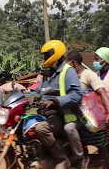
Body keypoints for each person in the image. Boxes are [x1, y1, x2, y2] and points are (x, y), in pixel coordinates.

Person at [34, 40, 83, 169]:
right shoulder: (49, 74)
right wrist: (24, 94)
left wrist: (56, 101)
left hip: (65, 114)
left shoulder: (68, 71)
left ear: (55, 54)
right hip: (49, 113)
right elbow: (39, 91)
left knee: (41, 129)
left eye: (46, 55)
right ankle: (41, 157)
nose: (44, 58)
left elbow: (77, 94)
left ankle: (62, 158)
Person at [65, 51, 109, 162]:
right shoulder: (71, 77)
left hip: (92, 113)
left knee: (97, 137)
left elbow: (102, 92)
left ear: (73, 63)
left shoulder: (88, 74)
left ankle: (88, 158)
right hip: (79, 113)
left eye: (66, 63)